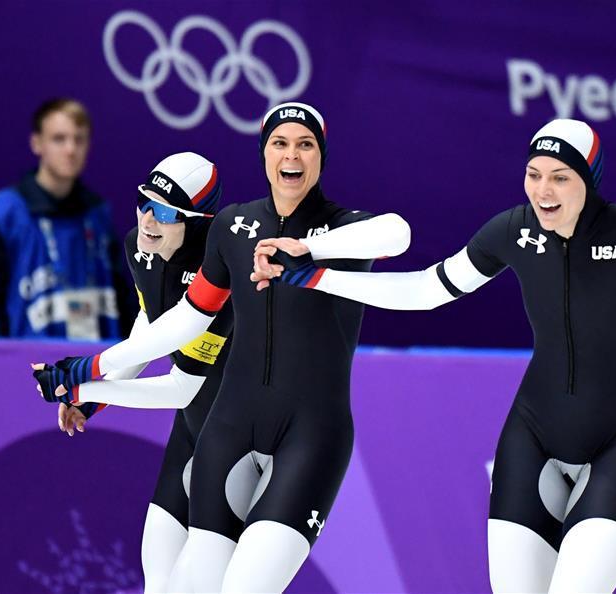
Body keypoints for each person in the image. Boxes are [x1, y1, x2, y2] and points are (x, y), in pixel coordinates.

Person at [269, 119, 616, 593]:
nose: (543, 190)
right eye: (533, 174)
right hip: (533, 438)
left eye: (560, 177)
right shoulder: (512, 230)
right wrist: (317, 277)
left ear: (588, 180)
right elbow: (427, 289)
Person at [32, 102, 411, 593]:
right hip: (223, 432)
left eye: (304, 144)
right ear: (263, 153)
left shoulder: (341, 230)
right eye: (279, 143)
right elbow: (174, 322)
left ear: (321, 156)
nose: (291, 155)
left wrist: (310, 251)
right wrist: (91, 380)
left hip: (308, 436)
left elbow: (397, 233)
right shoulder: (232, 229)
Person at [34, 152, 234, 592]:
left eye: (164, 212)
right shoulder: (139, 248)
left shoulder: (220, 271)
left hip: (242, 436)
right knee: (157, 577)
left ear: (197, 222)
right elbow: (150, 327)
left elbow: (182, 387)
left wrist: (83, 382)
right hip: (195, 426)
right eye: (143, 203)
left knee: (205, 584)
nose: (147, 219)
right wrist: (97, 397)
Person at [0, 98, 130, 339]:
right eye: (59, 139)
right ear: (36, 144)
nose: (70, 149)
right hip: (24, 368)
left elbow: (124, 300)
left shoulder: (98, 214)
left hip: (95, 365)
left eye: (79, 139)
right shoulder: (4, 216)